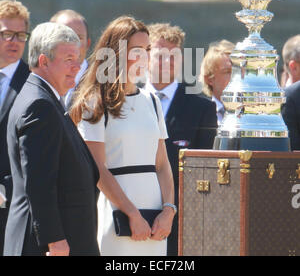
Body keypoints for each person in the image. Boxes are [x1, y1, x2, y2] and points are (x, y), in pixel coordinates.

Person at [70, 16, 175, 256]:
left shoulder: (152, 101)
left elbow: (162, 165)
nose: (145, 57)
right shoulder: (94, 102)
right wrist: (132, 214)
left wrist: (168, 211)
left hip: (156, 219)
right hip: (117, 213)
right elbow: (97, 168)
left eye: (147, 49)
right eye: (137, 50)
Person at [4, 22, 100, 256]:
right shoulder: (39, 105)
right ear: (44, 61)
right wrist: (54, 239)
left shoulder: (44, 98)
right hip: (51, 246)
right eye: (68, 59)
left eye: (78, 59)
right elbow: (39, 183)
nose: (77, 67)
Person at [145, 23, 217, 256]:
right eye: (160, 55)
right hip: (130, 211)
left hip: (180, 221)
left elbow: (204, 169)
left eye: (174, 55)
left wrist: (172, 210)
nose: (167, 62)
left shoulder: (202, 107)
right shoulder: (122, 100)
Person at [0, 0, 31, 256]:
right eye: (7, 34)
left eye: (20, 35)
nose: (14, 41)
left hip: (11, 204)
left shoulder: (33, 84)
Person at [50, 9, 91, 108]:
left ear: (88, 44)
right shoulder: (35, 82)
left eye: (78, 38)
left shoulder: (104, 85)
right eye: (64, 37)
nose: (72, 45)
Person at [199, 39, 235, 125]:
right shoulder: (196, 115)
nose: (236, 77)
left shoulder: (255, 115)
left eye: (239, 71)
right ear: (209, 79)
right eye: (228, 72)